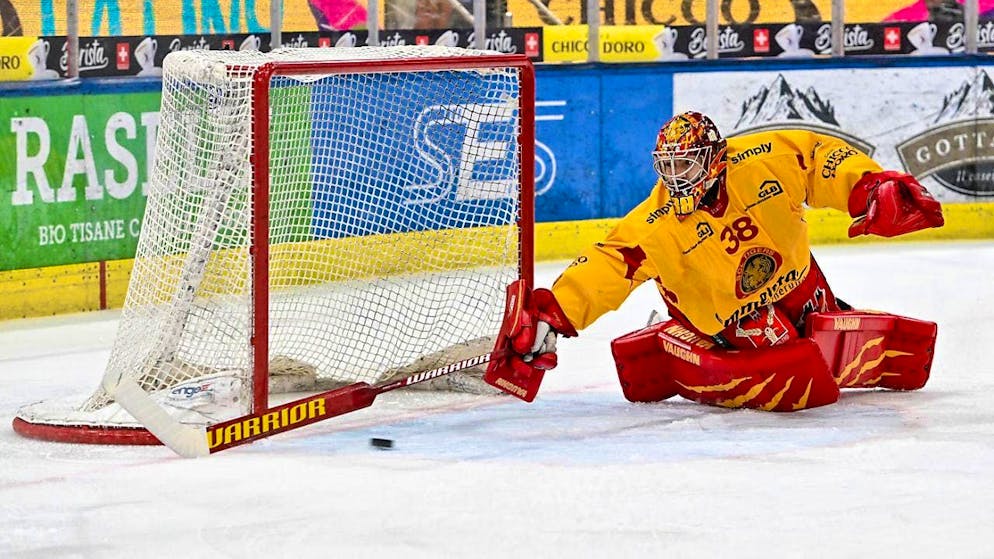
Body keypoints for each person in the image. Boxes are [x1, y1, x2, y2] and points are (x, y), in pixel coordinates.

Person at [484, 111, 944, 411]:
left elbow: (817, 155)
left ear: (715, 159)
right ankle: (678, 333)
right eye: (668, 166)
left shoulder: (764, 160)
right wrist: (552, 313)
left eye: (685, 165)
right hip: (728, 317)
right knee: (782, 344)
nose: (675, 177)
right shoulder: (655, 223)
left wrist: (870, 186)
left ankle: (817, 320)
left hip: (799, 281)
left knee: (821, 323)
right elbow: (609, 264)